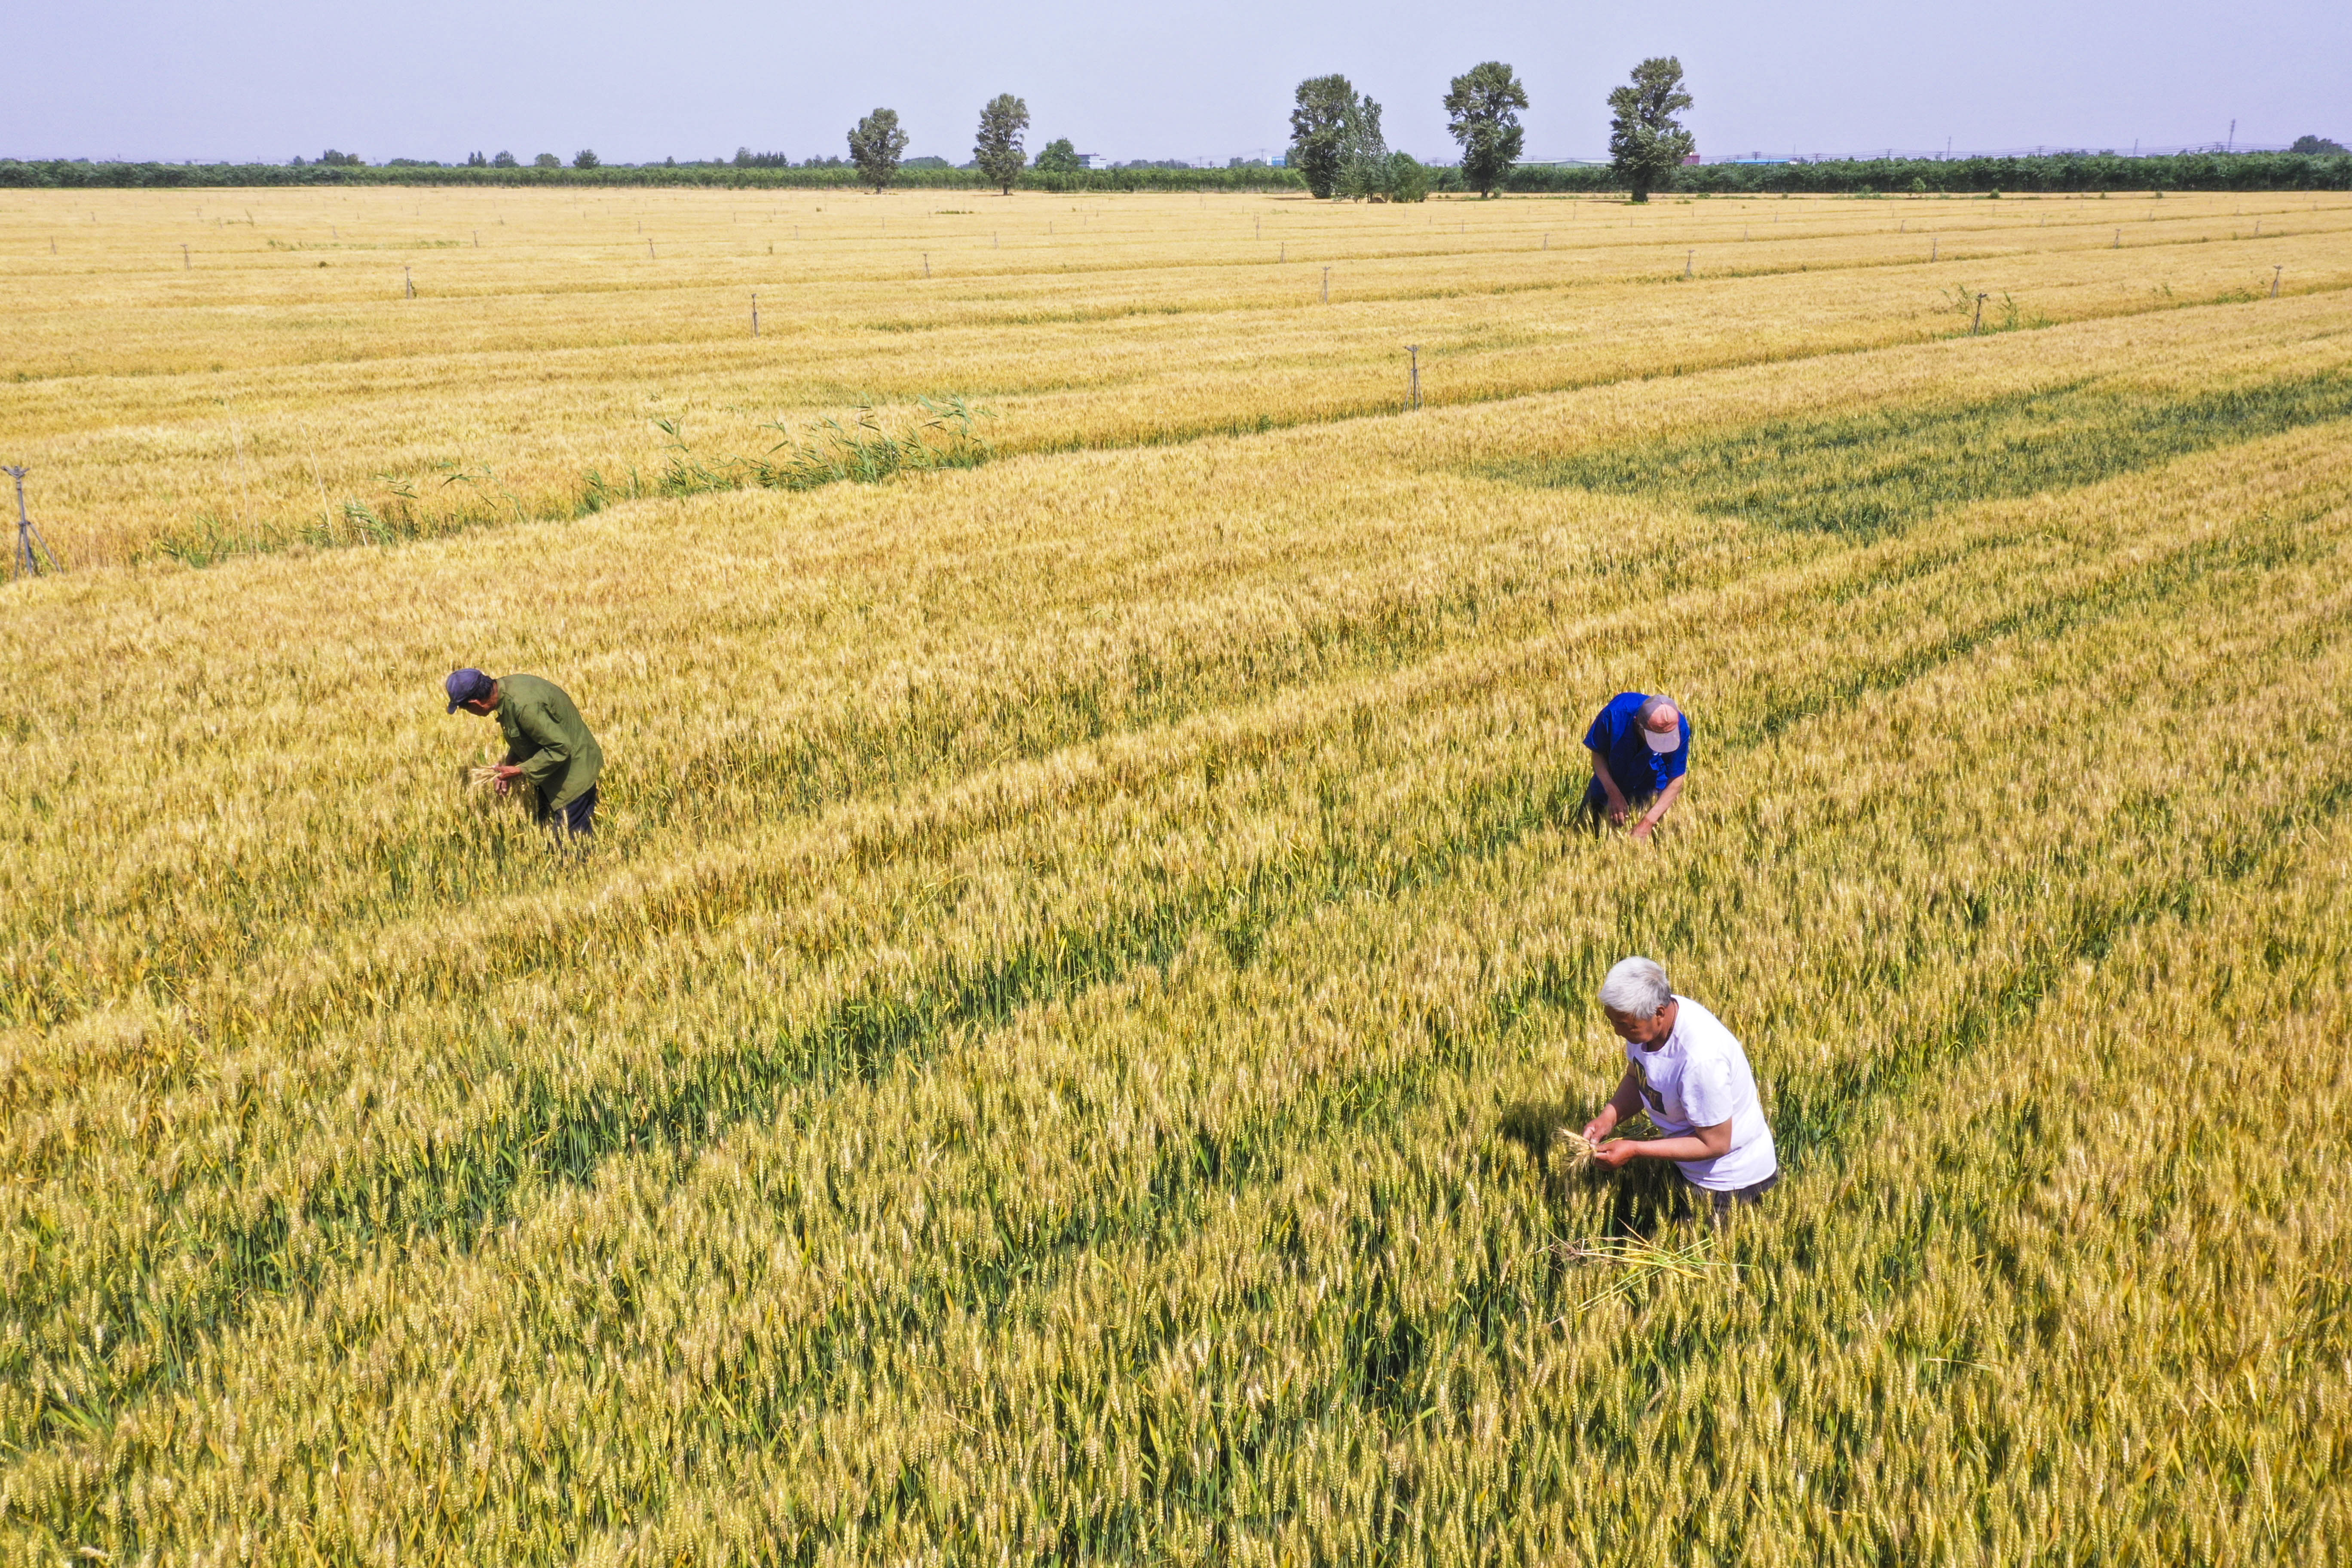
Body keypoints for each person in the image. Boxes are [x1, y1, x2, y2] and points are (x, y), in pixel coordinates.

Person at [1581, 956, 1777, 1223]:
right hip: (1690, 1167)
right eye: (1613, 1021)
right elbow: (1638, 1075)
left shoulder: (1700, 1059)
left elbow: (1717, 1144)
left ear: (1659, 1013)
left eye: (1625, 1025)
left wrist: (1635, 1149)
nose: (1617, 1032)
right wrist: (1609, 1118)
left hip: (1728, 1184)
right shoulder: (1648, 1024)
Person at [446, 668, 604, 840]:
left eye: (465, 709)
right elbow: (526, 734)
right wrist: (511, 763)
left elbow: (560, 747)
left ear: (476, 703)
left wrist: (519, 771)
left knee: (568, 849)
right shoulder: (505, 691)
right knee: (546, 831)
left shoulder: (524, 706)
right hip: (554, 770)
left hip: (574, 774)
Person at [1583, 692, 1688, 839]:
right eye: (1656, 738)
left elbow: (1676, 778)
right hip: (1607, 787)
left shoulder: (1679, 727)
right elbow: (1598, 753)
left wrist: (1648, 822)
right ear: (1638, 723)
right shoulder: (1614, 714)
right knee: (1587, 838)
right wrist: (1613, 793)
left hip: (1652, 797)